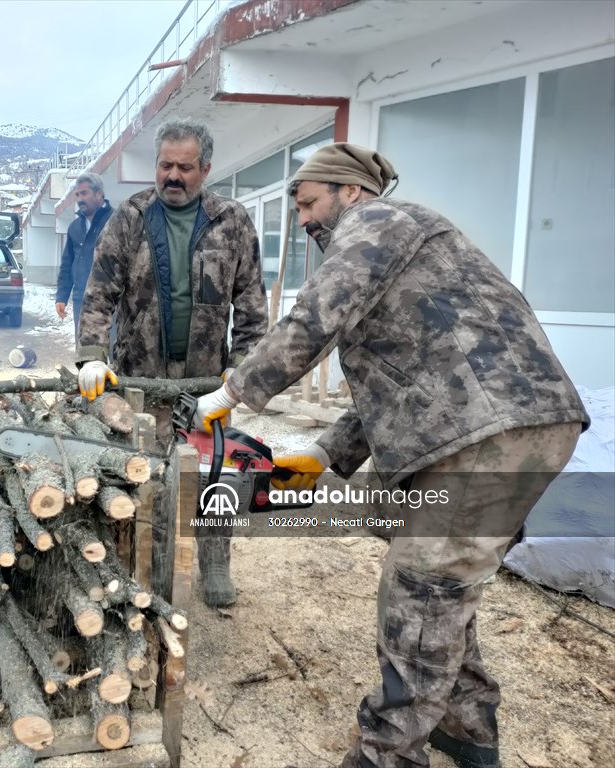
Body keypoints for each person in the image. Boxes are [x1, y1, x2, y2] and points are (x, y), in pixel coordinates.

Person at [191, 142, 589, 768]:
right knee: (445, 586)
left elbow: (313, 317)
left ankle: (389, 754)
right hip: (500, 424)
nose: (302, 219)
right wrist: (324, 454)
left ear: (351, 191)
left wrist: (234, 391)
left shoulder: (379, 222)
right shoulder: (408, 249)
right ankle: (466, 728)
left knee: (421, 594)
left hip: (485, 435)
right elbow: (409, 381)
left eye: (307, 202)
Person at [75, 118, 268, 607]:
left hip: (209, 380)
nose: (173, 176)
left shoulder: (233, 221)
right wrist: (93, 356)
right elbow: (99, 292)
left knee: (216, 471)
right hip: (141, 377)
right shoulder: (130, 217)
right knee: (149, 473)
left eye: (185, 167)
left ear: (205, 169)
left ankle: (215, 561)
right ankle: (154, 562)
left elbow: (251, 303)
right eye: (165, 165)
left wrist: (241, 367)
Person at [55, 172, 113, 335]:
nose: (80, 199)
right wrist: (62, 296)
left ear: (99, 194)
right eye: (77, 194)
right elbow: (67, 265)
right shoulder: (74, 228)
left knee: (112, 353)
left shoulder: (116, 221)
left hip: (110, 302)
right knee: (85, 353)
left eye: (84, 193)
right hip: (81, 301)